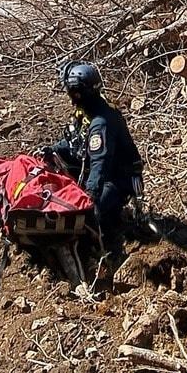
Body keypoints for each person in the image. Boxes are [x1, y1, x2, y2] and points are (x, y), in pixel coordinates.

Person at [46, 61, 143, 259]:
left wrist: (88, 197)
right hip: (101, 170)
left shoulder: (101, 123)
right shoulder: (88, 110)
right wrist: (52, 150)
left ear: (76, 92)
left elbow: (101, 163)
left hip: (116, 179)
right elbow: (77, 140)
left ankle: (103, 248)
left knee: (90, 217)